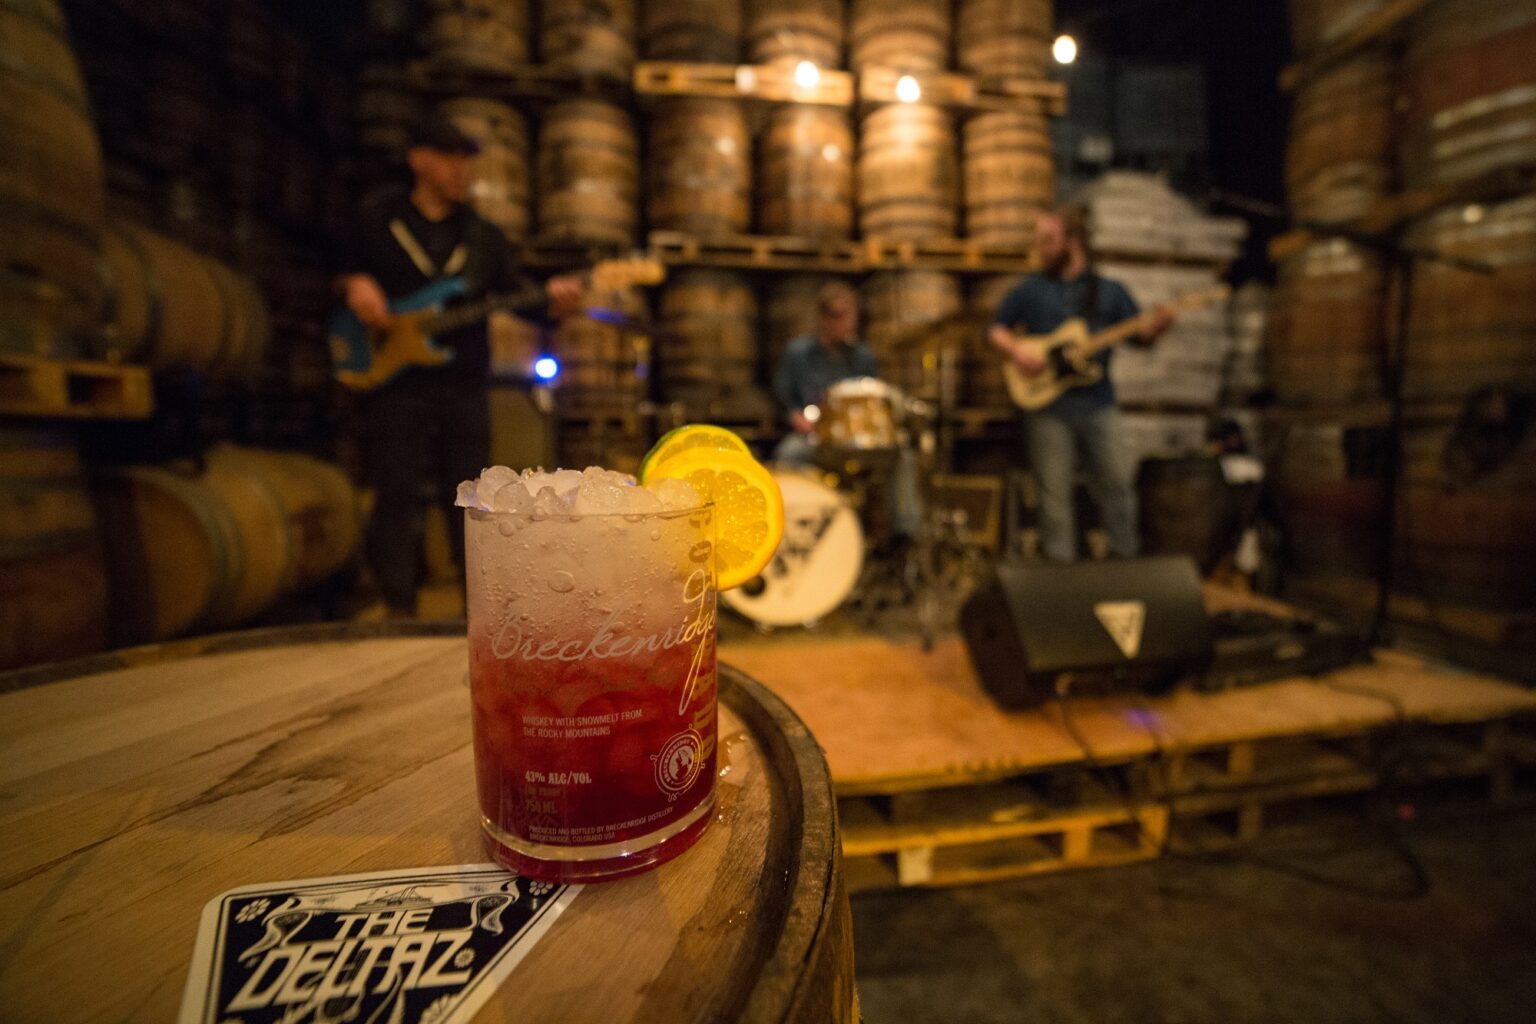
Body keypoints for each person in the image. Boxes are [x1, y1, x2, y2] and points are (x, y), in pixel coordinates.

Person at [339, 117, 583, 616]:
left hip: (464, 383)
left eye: (466, 161)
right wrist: (353, 284)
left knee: (473, 499)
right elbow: (336, 266)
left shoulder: (482, 236)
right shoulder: (375, 217)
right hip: (396, 381)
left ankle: (477, 611)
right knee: (397, 493)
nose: (462, 171)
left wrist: (553, 303)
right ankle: (398, 608)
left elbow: (515, 295)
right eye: (451, 159)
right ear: (419, 159)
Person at [987, 206, 1174, 562]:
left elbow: (1141, 335)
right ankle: (1061, 572)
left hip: (1099, 403)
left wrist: (1160, 326)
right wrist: (1018, 352)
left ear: (1072, 241)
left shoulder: (1110, 292)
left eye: (1047, 240)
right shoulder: (1031, 290)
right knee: (1053, 497)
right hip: (1047, 408)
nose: (1040, 247)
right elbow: (996, 328)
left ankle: (1124, 562)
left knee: (1118, 483)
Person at [772, 281, 920, 540]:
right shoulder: (799, 353)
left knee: (901, 455)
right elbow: (783, 397)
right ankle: (789, 531)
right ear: (823, 319)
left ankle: (904, 538)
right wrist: (796, 416)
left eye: (851, 317)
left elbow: (871, 398)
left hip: (855, 440)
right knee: (788, 453)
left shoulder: (861, 355)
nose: (848, 324)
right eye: (840, 317)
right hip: (816, 438)